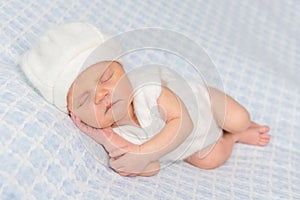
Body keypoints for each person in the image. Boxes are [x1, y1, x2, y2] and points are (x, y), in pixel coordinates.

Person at [21, 22, 271, 177]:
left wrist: (142, 152)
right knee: (210, 161)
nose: (101, 94)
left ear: (124, 70)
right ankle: (234, 138)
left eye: (107, 77)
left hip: (203, 104)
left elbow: (183, 122)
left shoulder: (146, 88)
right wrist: (108, 141)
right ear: (72, 114)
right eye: (84, 99)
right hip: (193, 147)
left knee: (240, 118)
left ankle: (236, 128)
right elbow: (151, 168)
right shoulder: (118, 134)